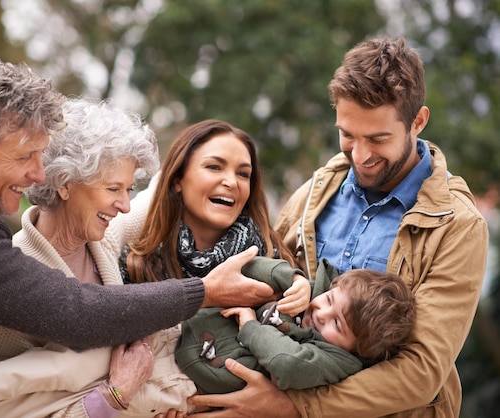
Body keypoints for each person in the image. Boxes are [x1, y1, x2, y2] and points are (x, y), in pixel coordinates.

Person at [0, 59, 275, 417]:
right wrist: (203, 293)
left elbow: (154, 199)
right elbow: (76, 313)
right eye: (24, 157)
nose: (38, 173)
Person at [185, 37, 489, 418]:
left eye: (378, 139)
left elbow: (421, 371)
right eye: (347, 135)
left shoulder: (458, 226)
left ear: (418, 121)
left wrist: (294, 407)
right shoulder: (318, 189)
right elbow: (266, 276)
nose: (360, 156)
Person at [120, 119, 312, 416]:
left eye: (243, 174)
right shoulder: (136, 265)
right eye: (214, 167)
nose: (232, 182)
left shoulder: (276, 267)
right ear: (177, 180)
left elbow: (303, 357)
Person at [176, 257, 416, 394]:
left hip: (192, 384)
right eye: (329, 299)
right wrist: (294, 278)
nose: (321, 313)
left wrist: (251, 327)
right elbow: (252, 267)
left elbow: (287, 363)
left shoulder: (336, 361)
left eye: (337, 324)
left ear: (357, 349)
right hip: (184, 327)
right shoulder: (312, 293)